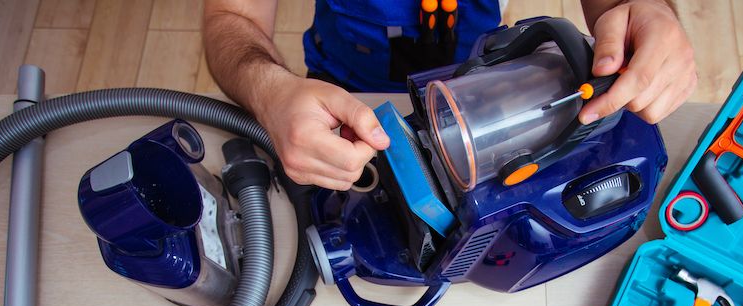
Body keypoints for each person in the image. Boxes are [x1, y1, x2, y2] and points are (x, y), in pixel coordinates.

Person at [203, 0, 696, 191]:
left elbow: (620, 7)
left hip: (487, 89)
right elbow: (233, 20)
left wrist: (647, 14)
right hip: (335, 97)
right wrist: (271, 92)